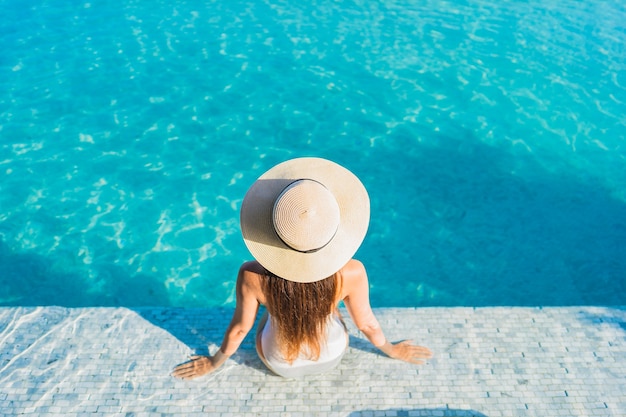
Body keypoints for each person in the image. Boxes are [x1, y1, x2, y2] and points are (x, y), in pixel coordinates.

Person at [172, 157, 432, 379]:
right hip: (330, 355)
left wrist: (214, 363)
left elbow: (240, 328)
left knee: (274, 310)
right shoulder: (352, 272)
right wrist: (393, 351)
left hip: (278, 362)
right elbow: (367, 325)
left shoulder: (251, 275)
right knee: (327, 305)